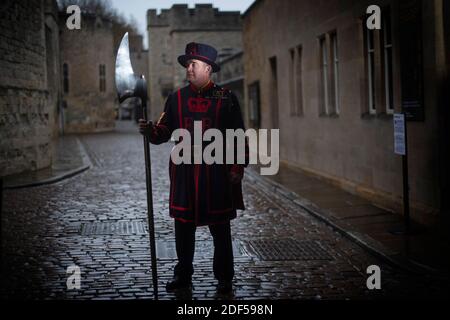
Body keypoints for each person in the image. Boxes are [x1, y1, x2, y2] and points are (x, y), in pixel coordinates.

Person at [139, 42, 248, 295]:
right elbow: (163, 132)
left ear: (208, 68)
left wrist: (237, 166)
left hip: (216, 174)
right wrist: (150, 131)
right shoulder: (176, 98)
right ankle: (183, 275)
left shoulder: (226, 97)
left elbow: (238, 135)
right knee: (183, 229)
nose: (188, 68)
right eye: (187, 64)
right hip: (185, 176)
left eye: (193, 64)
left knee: (220, 229)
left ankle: (224, 278)